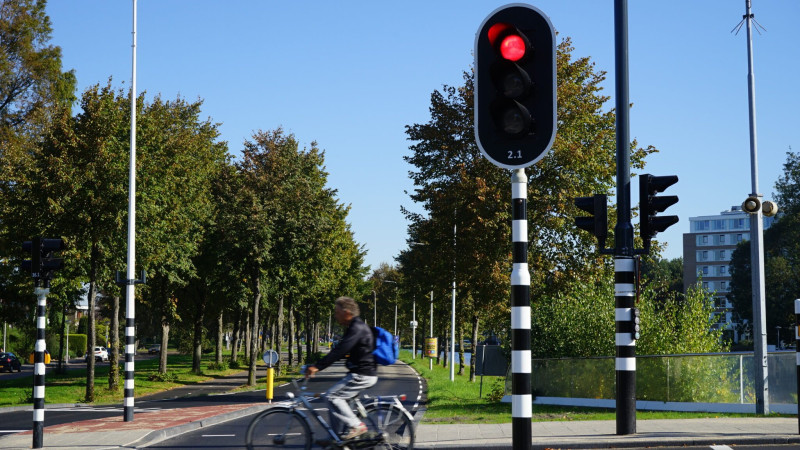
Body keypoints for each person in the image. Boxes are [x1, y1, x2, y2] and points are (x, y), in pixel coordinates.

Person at [305, 296, 377, 440]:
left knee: (332, 397)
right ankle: (335, 438)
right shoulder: (353, 327)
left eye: (337, 312)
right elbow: (341, 350)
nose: (335, 315)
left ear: (347, 312)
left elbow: (340, 351)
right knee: (334, 400)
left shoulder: (356, 328)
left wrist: (317, 367)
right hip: (359, 372)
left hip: (362, 374)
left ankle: (357, 426)